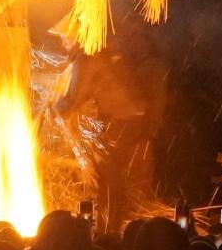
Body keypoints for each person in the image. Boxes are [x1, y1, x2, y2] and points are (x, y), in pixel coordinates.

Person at [58, 27, 164, 233]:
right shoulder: (101, 52)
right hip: (133, 119)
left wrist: (58, 107)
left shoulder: (86, 58)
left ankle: (107, 231)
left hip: (124, 120)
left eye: (65, 38)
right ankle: (110, 226)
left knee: (108, 177)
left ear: (76, 37)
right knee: (110, 175)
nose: (63, 43)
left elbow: (74, 98)